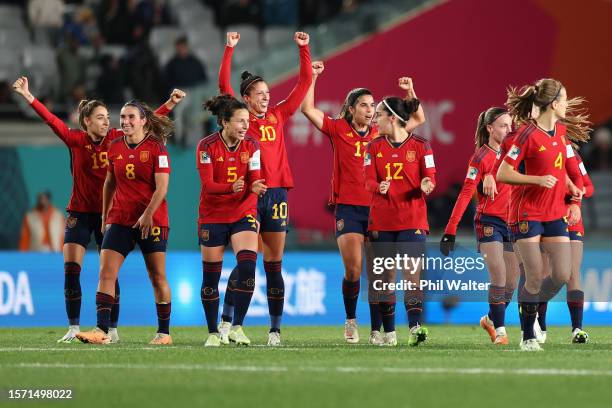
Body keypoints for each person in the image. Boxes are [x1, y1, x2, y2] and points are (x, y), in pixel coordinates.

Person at [12, 75, 184, 343]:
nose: (110, 122)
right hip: (89, 214)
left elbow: (144, 120)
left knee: (148, 275)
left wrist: (169, 104)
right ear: (87, 122)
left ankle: (125, 329)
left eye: (109, 117)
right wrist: (28, 96)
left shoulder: (122, 139)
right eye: (102, 117)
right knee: (79, 269)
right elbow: (51, 120)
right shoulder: (77, 140)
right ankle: (82, 327)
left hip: (128, 215)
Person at [217, 30, 312, 346]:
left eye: (267, 92)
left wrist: (304, 49)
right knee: (247, 261)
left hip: (277, 195)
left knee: (274, 265)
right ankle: (229, 322)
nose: (266, 97)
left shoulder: (278, 115)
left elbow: (302, 85)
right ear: (246, 98)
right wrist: (229, 49)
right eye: (259, 93)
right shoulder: (241, 122)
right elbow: (223, 87)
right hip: (249, 195)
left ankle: (274, 331)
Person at [497, 78, 590, 351]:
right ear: (552, 103)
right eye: (563, 99)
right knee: (535, 275)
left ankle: (533, 308)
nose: (566, 104)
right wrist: (537, 180)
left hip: (555, 213)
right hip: (526, 213)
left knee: (562, 273)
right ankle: (527, 336)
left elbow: (562, 169)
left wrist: (572, 192)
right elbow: (503, 173)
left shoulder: (560, 132)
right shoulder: (526, 136)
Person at [75, 100, 175, 345]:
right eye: (122, 117)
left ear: (143, 121)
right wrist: (104, 215)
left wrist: (148, 213)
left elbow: (162, 187)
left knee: (157, 276)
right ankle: (102, 331)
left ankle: (164, 333)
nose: (126, 121)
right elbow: (109, 182)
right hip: (119, 219)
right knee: (106, 272)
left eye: (131, 117)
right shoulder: (115, 145)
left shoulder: (156, 148)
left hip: (152, 220)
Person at [300, 60, 382, 344]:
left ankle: (377, 329)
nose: (370, 110)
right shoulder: (338, 129)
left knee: (377, 271)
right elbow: (307, 109)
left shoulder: (380, 133)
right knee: (354, 269)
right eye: (364, 105)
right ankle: (350, 321)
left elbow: (414, 122)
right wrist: (312, 77)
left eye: (372, 106)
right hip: (348, 207)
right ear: (351, 109)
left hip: (378, 209)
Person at [440, 107, 519, 345]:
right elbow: (465, 193)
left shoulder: (515, 154)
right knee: (499, 273)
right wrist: (450, 229)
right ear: (490, 129)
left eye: (510, 125)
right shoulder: (480, 158)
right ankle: (502, 332)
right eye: (504, 126)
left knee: (512, 282)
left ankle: (490, 319)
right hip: (488, 221)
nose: (509, 130)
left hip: (513, 222)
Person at [197, 94, 266, 347]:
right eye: (240, 121)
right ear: (224, 122)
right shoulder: (206, 146)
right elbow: (208, 185)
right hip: (213, 215)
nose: (246, 126)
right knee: (211, 279)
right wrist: (231, 187)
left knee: (248, 266)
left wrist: (255, 186)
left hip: (242, 212)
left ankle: (237, 326)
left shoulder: (253, 145)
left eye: (247, 121)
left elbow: (254, 177)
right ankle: (213, 332)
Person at [363, 84, 429, 347]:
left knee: (412, 277)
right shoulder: (373, 147)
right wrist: (377, 187)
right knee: (385, 278)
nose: (374, 119)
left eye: (378, 114)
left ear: (392, 117)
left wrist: (426, 185)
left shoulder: (422, 146)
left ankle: (414, 327)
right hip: (382, 220)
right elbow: (367, 181)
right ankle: (388, 331)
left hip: (413, 219)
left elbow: (430, 177)